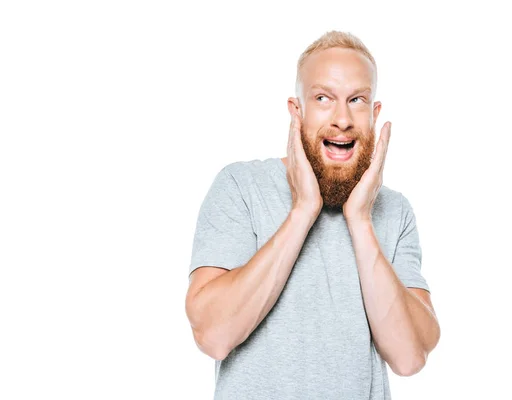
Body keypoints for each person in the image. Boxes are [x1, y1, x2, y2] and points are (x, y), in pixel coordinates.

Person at [184, 30, 440, 400]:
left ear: (374, 114)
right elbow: (213, 335)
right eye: (323, 98)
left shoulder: (394, 211)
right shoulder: (241, 186)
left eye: (356, 100)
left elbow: (409, 357)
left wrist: (361, 221)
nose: (342, 118)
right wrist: (303, 210)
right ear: (296, 111)